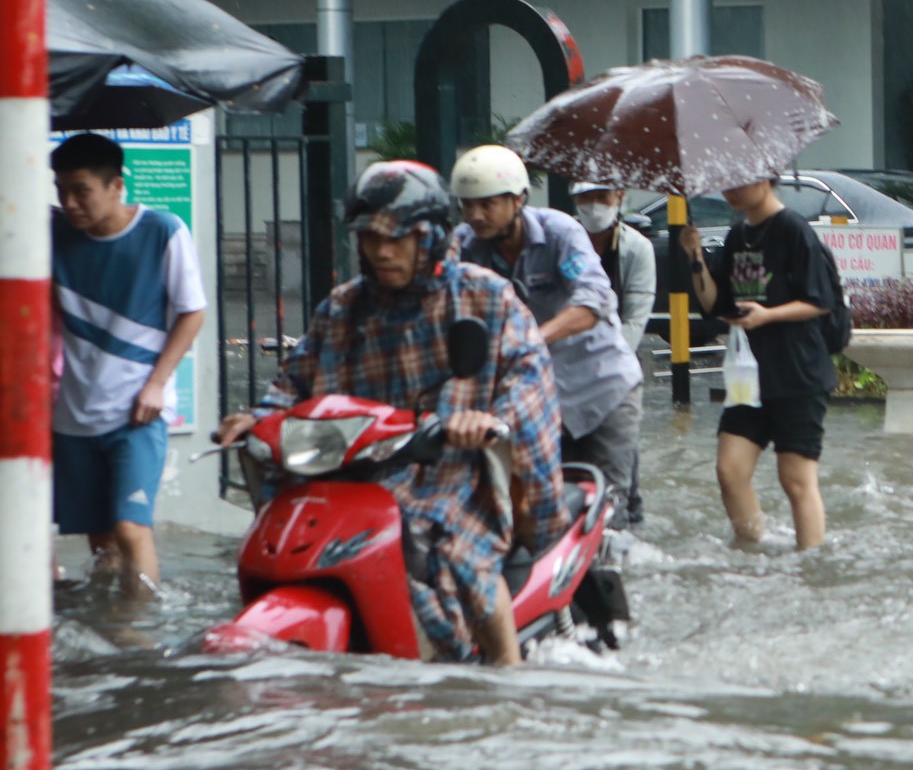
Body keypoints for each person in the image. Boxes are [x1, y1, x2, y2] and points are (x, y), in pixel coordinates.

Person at [214, 162, 569, 664]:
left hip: (450, 472)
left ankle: (506, 676)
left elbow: (528, 380)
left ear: (428, 238)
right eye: (370, 237)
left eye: (397, 238)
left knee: (456, 554)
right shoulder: (342, 308)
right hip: (351, 473)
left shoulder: (485, 297)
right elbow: (293, 382)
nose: (382, 251)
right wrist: (258, 418)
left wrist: (487, 422)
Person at [450, 147, 645, 525]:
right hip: (538, 398)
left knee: (609, 512)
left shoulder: (560, 232)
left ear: (518, 199)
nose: (476, 216)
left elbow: (593, 301)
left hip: (603, 387)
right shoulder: (463, 244)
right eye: (467, 206)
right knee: (548, 506)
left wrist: (533, 338)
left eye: (487, 205)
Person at [49, 132, 208, 594]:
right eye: (62, 191)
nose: (71, 202)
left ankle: (142, 638)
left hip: (137, 413)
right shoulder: (53, 232)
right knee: (100, 542)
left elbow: (192, 311)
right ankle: (113, 630)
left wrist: (157, 384)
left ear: (117, 186)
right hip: (74, 418)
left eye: (82, 190)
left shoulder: (163, 231)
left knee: (131, 528)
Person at [676, 178, 840, 550]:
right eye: (726, 182)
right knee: (729, 470)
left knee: (795, 479)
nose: (728, 190)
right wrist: (696, 258)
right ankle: (753, 550)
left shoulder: (793, 230)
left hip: (798, 374)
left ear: (766, 180)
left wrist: (767, 315)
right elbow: (713, 304)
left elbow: (819, 300)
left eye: (739, 182)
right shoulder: (738, 237)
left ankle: (810, 563)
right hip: (749, 378)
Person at [574, 181, 659, 523]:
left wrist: (605, 364)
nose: (594, 206)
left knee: (620, 460)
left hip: (617, 364)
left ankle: (625, 523)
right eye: (586, 198)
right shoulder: (563, 241)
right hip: (567, 364)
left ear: (618, 198)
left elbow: (636, 315)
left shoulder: (637, 249)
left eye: (602, 198)